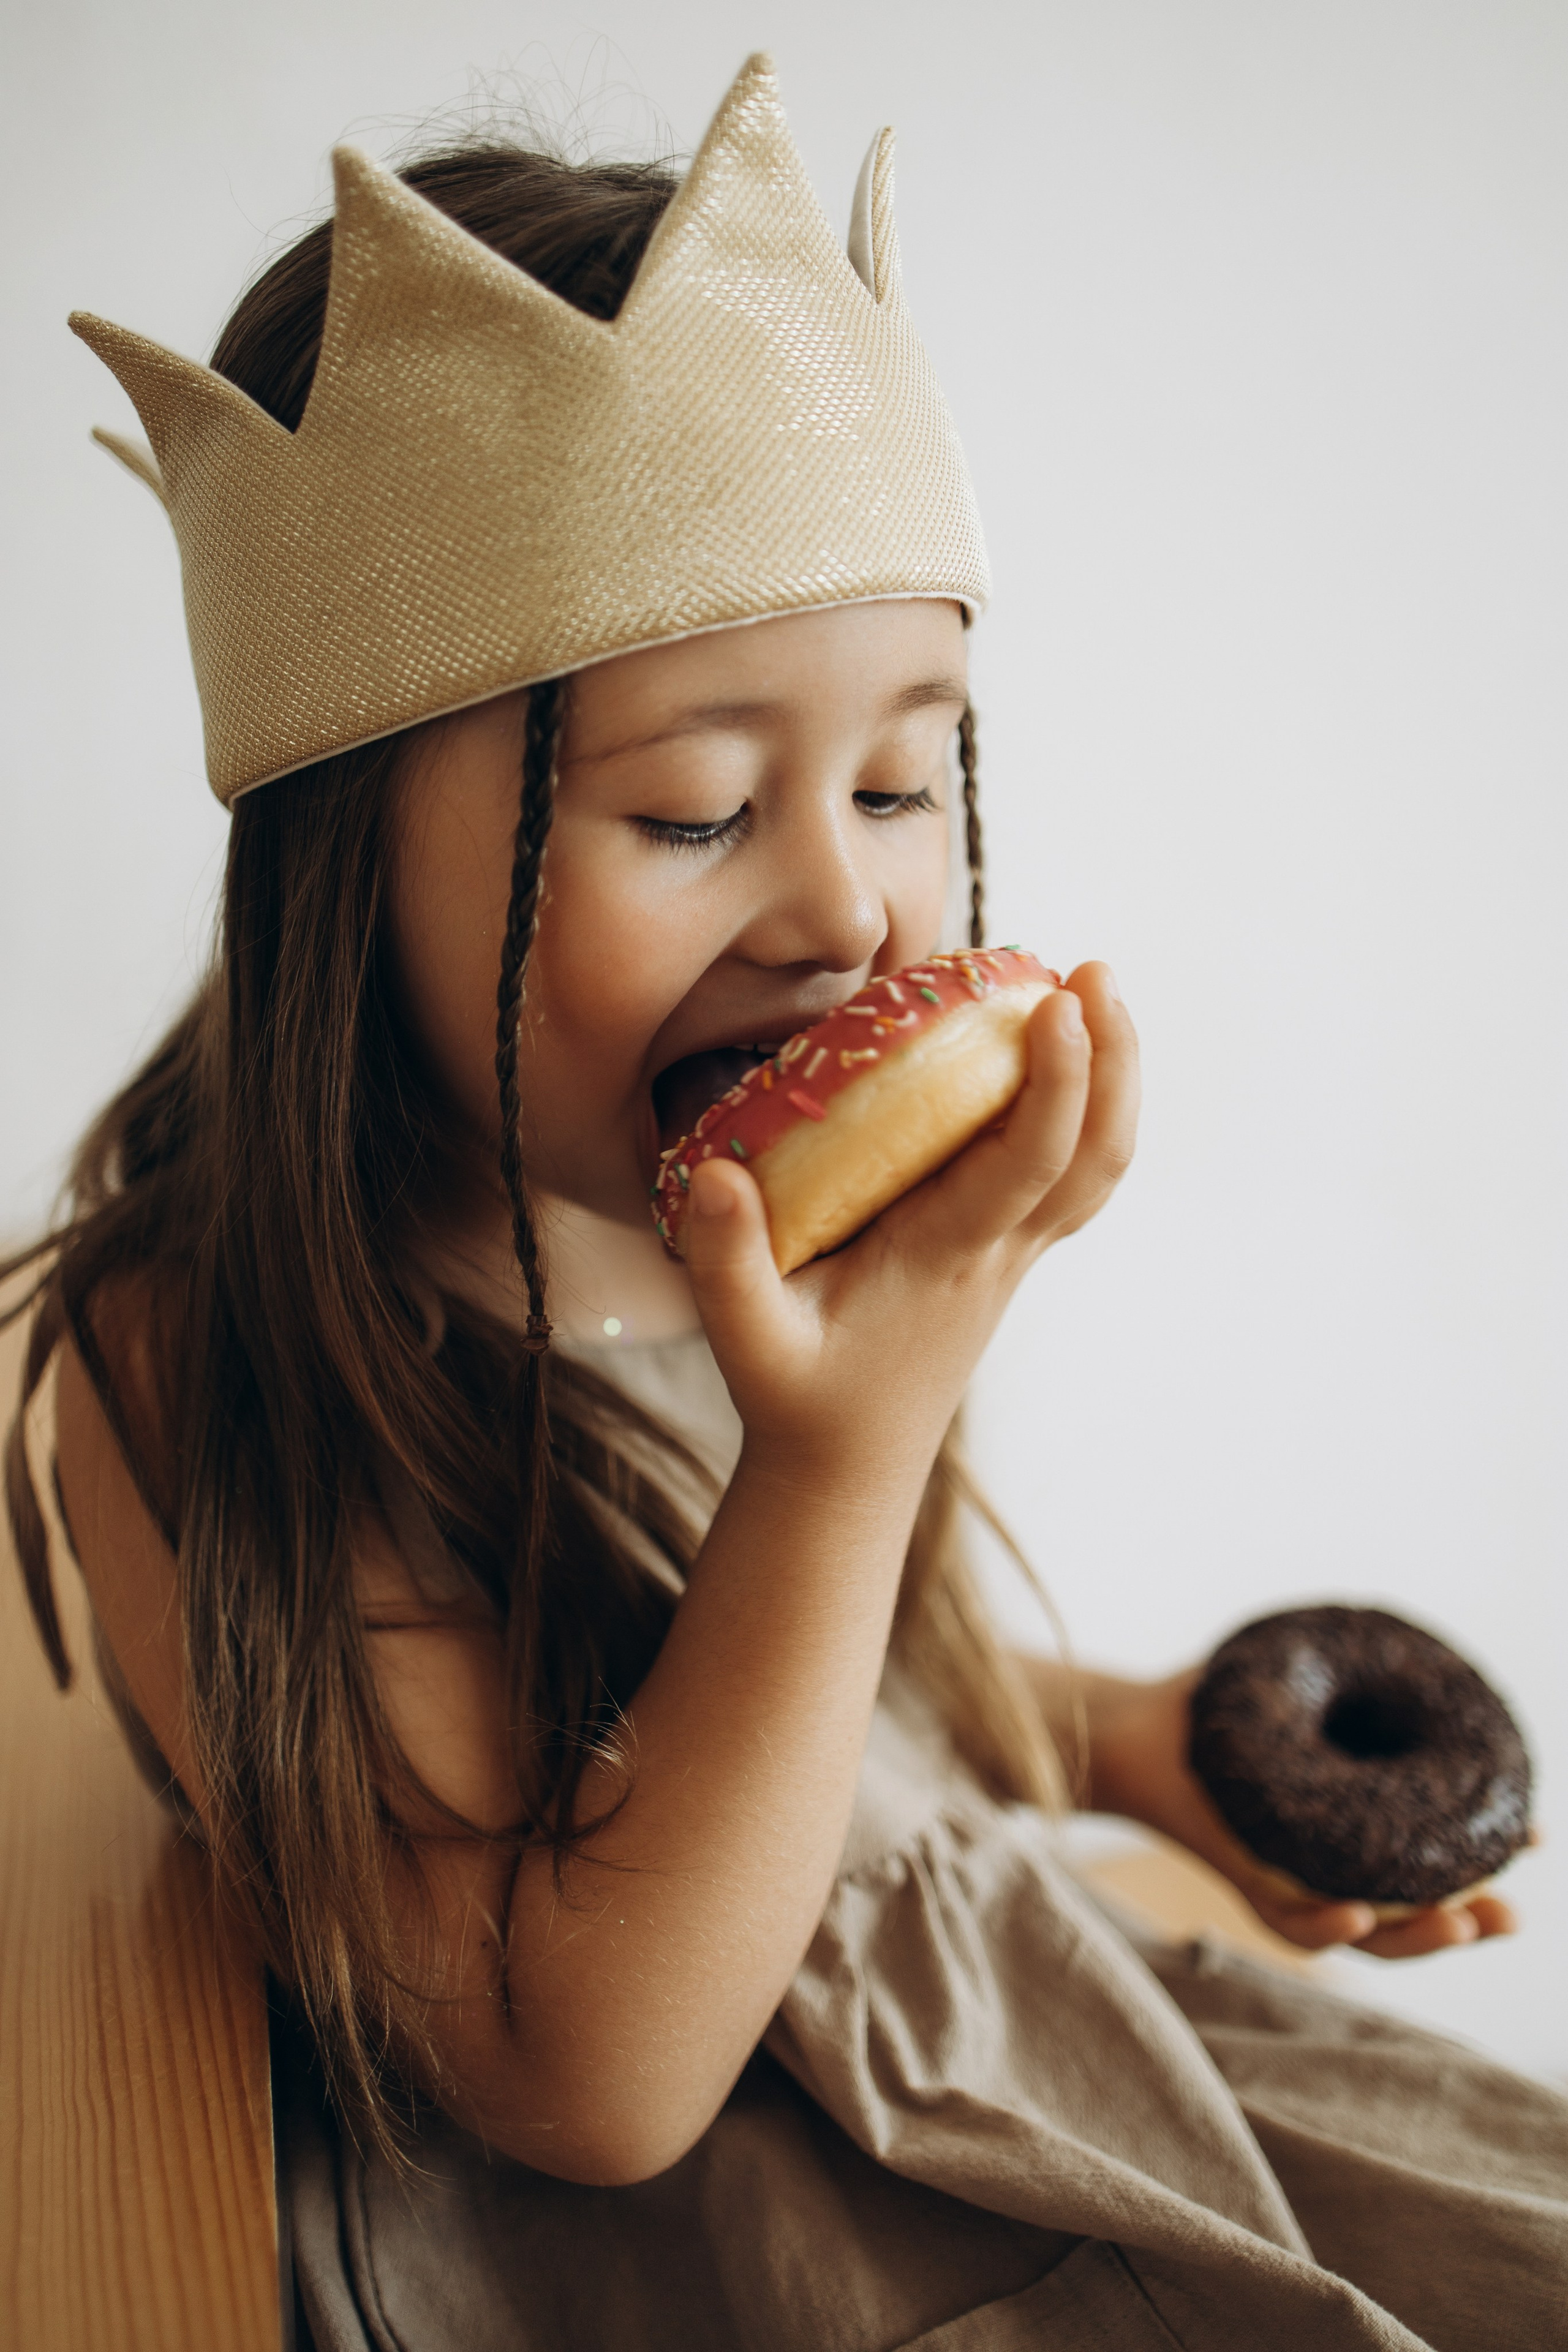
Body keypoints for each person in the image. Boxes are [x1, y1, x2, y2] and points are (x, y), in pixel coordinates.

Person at [7, 55, 1564, 2352]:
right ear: (350, 874)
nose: (846, 906)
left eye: (909, 775)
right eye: (696, 811)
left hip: (1022, 2036)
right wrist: (843, 1453)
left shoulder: (732, 1198)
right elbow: (593, 2069)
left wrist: (1128, 1744)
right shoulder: (201, 1349)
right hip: (728, 2231)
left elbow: (794, 1722)